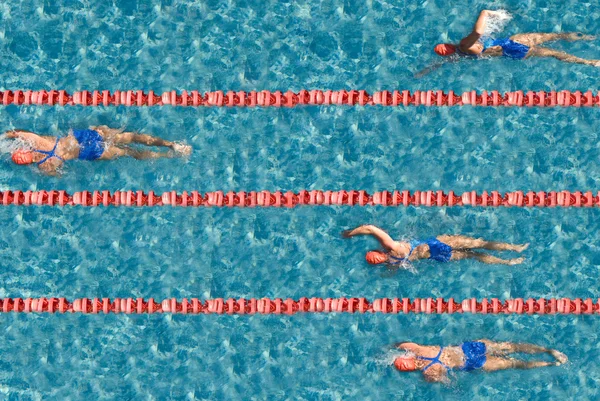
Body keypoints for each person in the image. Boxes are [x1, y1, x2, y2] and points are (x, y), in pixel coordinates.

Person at [418, 10, 600, 76]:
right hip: (514, 43)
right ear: (448, 45)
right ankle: (590, 40)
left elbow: (440, 63)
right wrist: (486, 13)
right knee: (555, 37)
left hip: (513, 52)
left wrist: (424, 71)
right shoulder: (464, 45)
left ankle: (590, 62)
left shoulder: (459, 56)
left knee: (553, 53)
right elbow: (478, 32)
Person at [6, 126, 191, 175]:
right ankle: (172, 145)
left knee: (128, 152)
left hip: (88, 153)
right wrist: (7, 136)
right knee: (131, 137)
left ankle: (164, 155)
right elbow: (19, 133)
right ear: (24, 150)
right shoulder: (39, 143)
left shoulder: (44, 166)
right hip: (83, 137)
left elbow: (59, 175)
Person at [341, 225, 528, 266]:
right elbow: (371, 228)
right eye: (374, 261)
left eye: (373, 257)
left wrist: (350, 233)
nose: (376, 259)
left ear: (376, 251)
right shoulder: (391, 260)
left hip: (437, 246)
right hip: (436, 252)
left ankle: (513, 249)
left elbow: (370, 228)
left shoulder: (392, 249)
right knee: (474, 252)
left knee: (478, 245)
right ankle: (507, 261)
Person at [393, 340, 568, 383]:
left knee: (514, 363)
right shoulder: (418, 350)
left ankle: (551, 364)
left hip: (471, 364)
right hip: (468, 348)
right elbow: (401, 344)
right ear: (407, 357)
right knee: (510, 347)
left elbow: (448, 381)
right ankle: (548, 351)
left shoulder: (428, 373)